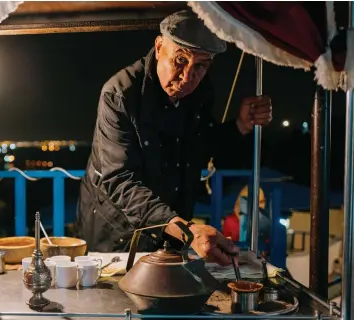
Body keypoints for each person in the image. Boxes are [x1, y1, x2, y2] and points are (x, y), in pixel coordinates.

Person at [76, 10, 273, 266]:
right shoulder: (120, 94)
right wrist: (186, 231)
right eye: (180, 60)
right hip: (119, 234)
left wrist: (240, 126)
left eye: (200, 66)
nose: (188, 77)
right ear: (159, 47)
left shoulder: (201, 91)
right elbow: (119, 180)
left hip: (172, 229)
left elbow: (201, 142)